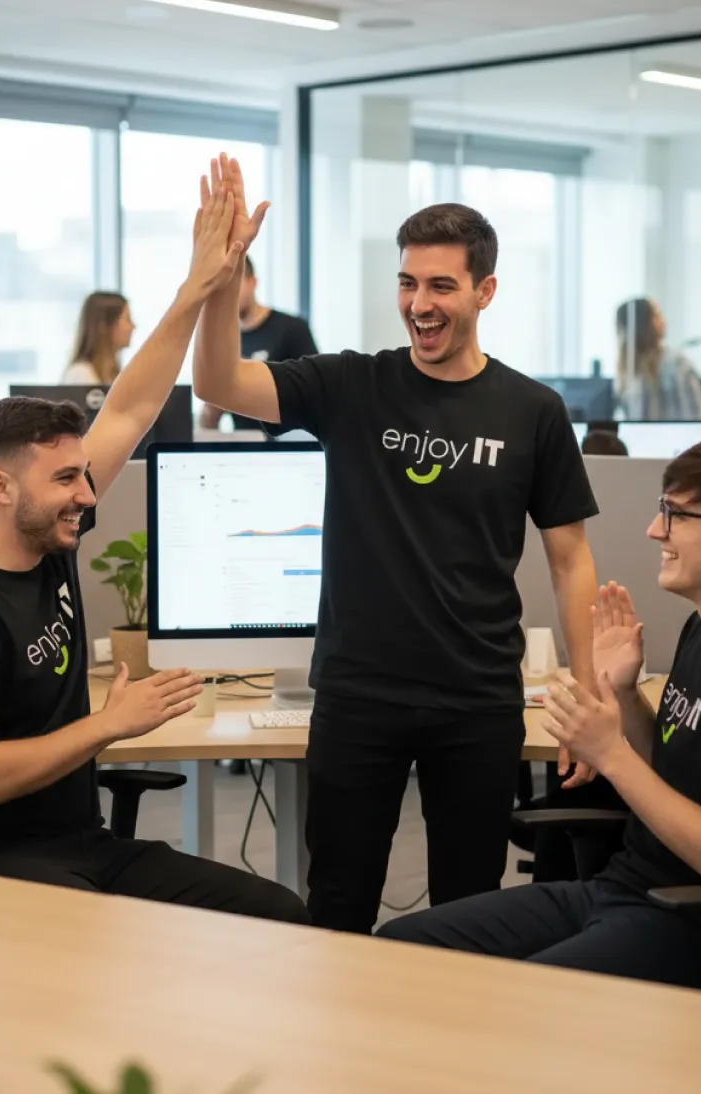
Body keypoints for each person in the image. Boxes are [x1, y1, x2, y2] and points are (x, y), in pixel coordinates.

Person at [193, 154, 600, 934]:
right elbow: (217, 382)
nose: (420, 303)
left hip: (477, 700)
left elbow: (570, 558)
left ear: (484, 291)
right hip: (358, 694)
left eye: (441, 286)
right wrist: (223, 278)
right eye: (408, 284)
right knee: (338, 905)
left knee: (468, 912)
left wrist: (586, 697)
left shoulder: (533, 410)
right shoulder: (353, 385)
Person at [0, 182, 309, 927]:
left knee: (276, 909)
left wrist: (201, 284)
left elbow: (130, 405)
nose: (87, 494)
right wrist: (109, 723)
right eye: (65, 478)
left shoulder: (47, 539)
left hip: (79, 843)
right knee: (105, 947)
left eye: (82, 475)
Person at [379, 437, 701, 996]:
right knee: (401, 947)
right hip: (622, 887)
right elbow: (674, 772)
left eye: (675, 514)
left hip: (692, 919)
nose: (654, 530)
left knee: (518, 1002)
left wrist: (610, 754)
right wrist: (625, 695)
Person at [200, 254, 318, 432]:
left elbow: (317, 395)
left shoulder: (291, 329)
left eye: (232, 287)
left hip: (287, 447)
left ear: (252, 283)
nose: (227, 297)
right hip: (245, 446)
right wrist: (211, 408)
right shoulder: (223, 342)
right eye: (219, 290)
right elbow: (207, 423)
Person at [616, 297, 701, 421]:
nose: (664, 321)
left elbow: (696, 416)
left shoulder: (676, 363)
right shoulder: (629, 369)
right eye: (657, 315)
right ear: (643, 324)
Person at [62, 292, 136, 385]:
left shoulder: (113, 374)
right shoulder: (81, 374)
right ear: (104, 326)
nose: (133, 326)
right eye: (127, 319)